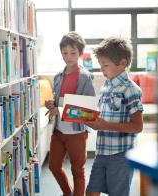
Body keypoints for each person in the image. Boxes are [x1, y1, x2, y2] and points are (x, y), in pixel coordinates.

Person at [85, 36, 143, 196]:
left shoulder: (131, 90)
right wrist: (88, 119)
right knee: (90, 192)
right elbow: (102, 117)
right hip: (102, 152)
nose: (102, 69)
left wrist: (105, 125)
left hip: (120, 156)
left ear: (123, 63)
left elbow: (138, 126)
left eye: (105, 65)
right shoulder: (106, 85)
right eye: (100, 65)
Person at [45, 31, 95, 196]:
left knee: (77, 170)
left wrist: (58, 109)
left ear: (80, 53)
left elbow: (89, 111)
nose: (69, 56)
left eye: (73, 53)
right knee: (53, 165)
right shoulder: (58, 76)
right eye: (65, 53)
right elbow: (59, 99)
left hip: (77, 132)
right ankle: (68, 192)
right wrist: (52, 103)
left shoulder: (86, 77)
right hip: (59, 131)